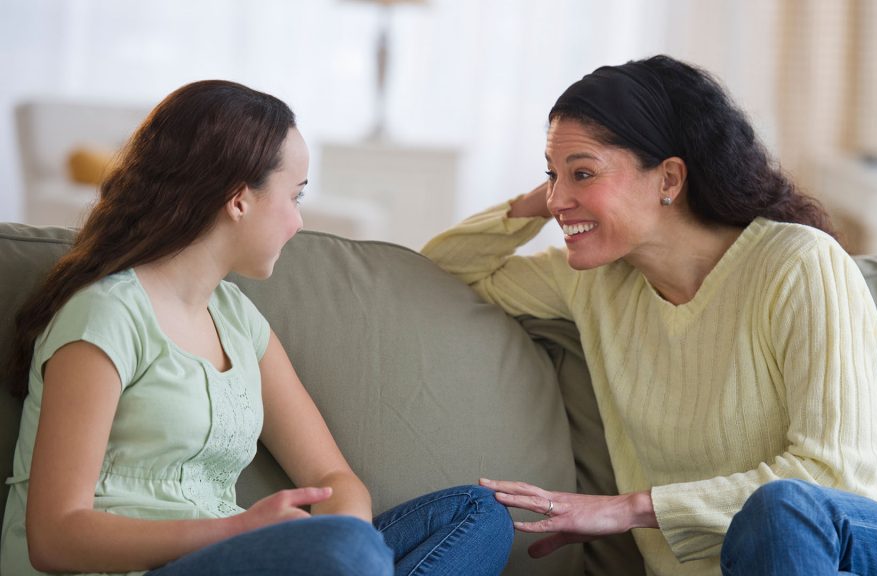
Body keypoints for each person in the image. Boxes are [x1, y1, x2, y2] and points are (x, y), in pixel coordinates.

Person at [422, 55, 877, 575]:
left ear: (668, 179)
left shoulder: (797, 264)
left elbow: (834, 474)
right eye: (551, 174)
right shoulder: (590, 281)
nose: (557, 199)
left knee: (781, 508)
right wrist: (540, 200)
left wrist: (632, 509)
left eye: (583, 173)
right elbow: (438, 270)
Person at [1, 80, 512, 576]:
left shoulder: (236, 317)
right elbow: (55, 537)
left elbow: (333, 479)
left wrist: (346, 543)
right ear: (239, 199)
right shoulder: (106, 315)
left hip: (246, 559)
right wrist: (239, 532)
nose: (298, 221)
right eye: (295, 196)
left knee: (477, 513)